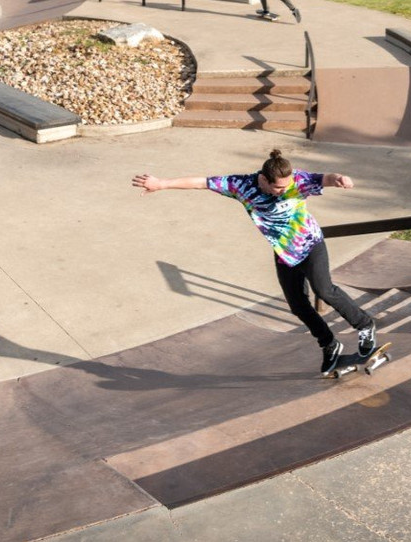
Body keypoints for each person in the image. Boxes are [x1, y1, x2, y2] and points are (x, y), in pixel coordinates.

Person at [131, 149, 377, 376]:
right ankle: (329, 344)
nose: (285, 190)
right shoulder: (241, 185)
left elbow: (325, 178)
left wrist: (340, 178)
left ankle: (365, 325)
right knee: (297, 305)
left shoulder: (297, 181)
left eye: (287, 186)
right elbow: (202, 183)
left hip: (311, 244)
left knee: (324, 289)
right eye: (279, 188)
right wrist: (162, 184)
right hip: (284, 253)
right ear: (264, 180)